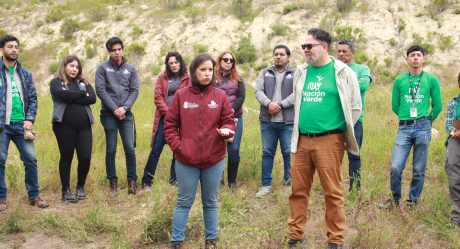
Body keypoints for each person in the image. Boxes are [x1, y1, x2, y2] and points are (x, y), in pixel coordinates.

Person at [287, 28, 361, 249]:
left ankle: (335, 239)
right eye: (304, 47)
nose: (306, 50)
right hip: (301, 140)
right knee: (298, 191)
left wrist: (338, 130)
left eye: (309, 46)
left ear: (324, 46)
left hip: (329, 141)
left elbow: (355, 107)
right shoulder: (301, 72)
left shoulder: (343, 72)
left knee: (332, 192)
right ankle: (295, 236)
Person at [164, 53, 235, 249]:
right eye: (202, 69)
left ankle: (211, 240)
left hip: (214, 159)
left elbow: (228, 119)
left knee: (210, 202)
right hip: (186, 160)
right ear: (194, 71)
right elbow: (169, 126)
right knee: (184, 201)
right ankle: (176, 241)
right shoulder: (181, 95)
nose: (207, 74)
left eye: (210, 70)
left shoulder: (220, 96)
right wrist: (180, 148)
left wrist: (228, 130)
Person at [379, 45, 442, 210]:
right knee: (395, 166)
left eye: (419, 55)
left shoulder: (431, 79)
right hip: (404, 128)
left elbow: (438, 105)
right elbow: (395, 105)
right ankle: (394, 200)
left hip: (423, 127)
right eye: (412, 55)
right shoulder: (400, 80)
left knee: (419, 168)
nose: (415, 57)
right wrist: (406, 117)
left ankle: (412, 202)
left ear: (423, 59)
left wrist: (428, 121)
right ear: (407, 59)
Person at [0, 35, 49, 211]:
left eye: (16, 47)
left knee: (30, 159)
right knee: (0, 159)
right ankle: (1, 198)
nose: (14, 50)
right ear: (1, 50)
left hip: (22, 125)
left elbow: (33, 98)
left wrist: (29, 118)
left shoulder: (25, 73)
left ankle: (34, 196)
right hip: (2, 125)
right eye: (10, 47)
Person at [95, 37, 139, 195]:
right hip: (108, 114)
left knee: (129, 148)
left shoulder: (130, 69)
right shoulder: (102, 68)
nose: (117, 52)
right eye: (114, 50)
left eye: (119, 49)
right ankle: (112, 184)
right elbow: (101, 90)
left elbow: (134, 90)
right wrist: (115, 109)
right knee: (111, 148)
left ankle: (132, 182)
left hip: (126, 114)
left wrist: (125, 108)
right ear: (109, 51)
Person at [141, 52, 190, 190]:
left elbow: (191, 97)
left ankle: (174, 180)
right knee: (156, 150)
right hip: (164, 120)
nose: (174, 65)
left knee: (178, 151)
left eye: (176, 62)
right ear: (167, 65)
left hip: (181, 121)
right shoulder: (162, 78)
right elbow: (158, 98)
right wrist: (170, 114)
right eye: (171, 63)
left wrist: (178, 115)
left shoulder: (187, 78)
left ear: (180, 62)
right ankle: (146, 182)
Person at [50, 55, 96, 203]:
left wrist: (72, 96)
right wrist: (82, 94)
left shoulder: (84, 82)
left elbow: (93, 98)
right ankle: (65, 190)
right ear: (64, 66)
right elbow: (61, 94)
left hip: (84, 126)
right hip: (63, 126)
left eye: (77, 67)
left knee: (85, 157)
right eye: (71, 66)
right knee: (66, 157)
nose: (74, 69)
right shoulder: (56, 82)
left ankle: (80, 187)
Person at [254, 45, 294, 198]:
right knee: (267, 152)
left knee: (288, 153)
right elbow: (257, 91)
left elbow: (297, 93)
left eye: (282, 54)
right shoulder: (265, 73)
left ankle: (288, 184)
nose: (278, 56)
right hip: (267, 121)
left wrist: (281, 104)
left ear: (288, 57)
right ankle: (266, 185)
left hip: (287, 122)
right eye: (276, 54)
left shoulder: (296, 73)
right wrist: (268, 103)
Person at [337, 39, 372, 191]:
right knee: (333, 157)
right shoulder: (333, 68)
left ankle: (355, 190)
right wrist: (352, 83)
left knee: (354, 155)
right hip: (335, 120)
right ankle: (334, 189)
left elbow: (363, 86)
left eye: (344, 51)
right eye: (338, 51)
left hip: (355, 120)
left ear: (352, 52)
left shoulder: (362, 68)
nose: (341, 54)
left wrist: (342, 85)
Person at [215, 51, 245, 189]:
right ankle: (218, 181)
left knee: (234, 150)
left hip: (235, 117)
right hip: (216, 119)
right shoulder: (213, 78)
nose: (228, 62)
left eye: (231, 60)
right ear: (220, 60)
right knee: (217, 149)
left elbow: (241, 96)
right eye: (225, 59)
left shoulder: (238, 78)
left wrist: (230, 110)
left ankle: (232, 182)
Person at [444, 72, 460, 227]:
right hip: (457, 138)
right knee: (452, 167)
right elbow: (448, 124)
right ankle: (457, 214)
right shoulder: (455, 101)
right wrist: (454, 132)